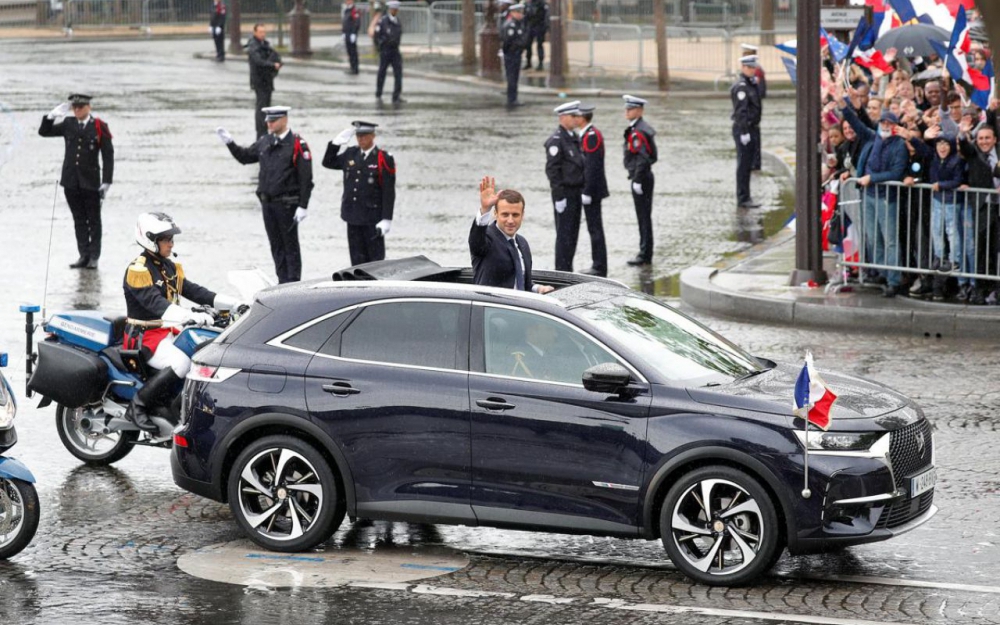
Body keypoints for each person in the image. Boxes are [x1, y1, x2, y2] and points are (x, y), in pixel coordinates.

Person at [122, 212, 235, 433]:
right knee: (182, 363)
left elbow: (193, 290)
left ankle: (175, 407)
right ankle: (138, 405)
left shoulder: (168, 266)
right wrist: (187, 315)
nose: (171, 243)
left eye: (171, 239)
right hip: (145, 337)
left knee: (201, 353)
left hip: (167, 332)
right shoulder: (139, 269)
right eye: (166, 239)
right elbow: (155, 303)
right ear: (150, 239)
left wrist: (232, 303)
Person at [216, 106, 313, 283]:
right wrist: (230, 143)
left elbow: (306, 178)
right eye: (268, 120)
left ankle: (293, 282)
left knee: (290, 245)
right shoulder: (265, 141)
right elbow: (245, 157)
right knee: (276, 245)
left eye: (273, 120)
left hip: (287, 203)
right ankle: (282, 280)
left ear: (284, 120)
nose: (269, 123)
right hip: (267, 204)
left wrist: (303, 206)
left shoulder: (297, 144)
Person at [38, 93, 114, 270]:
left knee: (94, 220)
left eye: (81, 107)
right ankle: (83, 255)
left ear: (89, 107)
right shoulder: (68, 124)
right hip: (71, 181)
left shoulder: (99, 127)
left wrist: (107, 181)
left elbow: (108, 156)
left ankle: (94, 256)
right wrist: (51, 116)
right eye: (75, 107)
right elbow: (44, 132)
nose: (77, 110)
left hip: (91, 182)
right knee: (79, 219)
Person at [322, 121, 396, 265]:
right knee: (356, 263)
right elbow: (328, 162)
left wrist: (387, 219)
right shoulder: (351, 154)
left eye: (364, 136)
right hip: (352, 217)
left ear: (373, 136)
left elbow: (388, 191)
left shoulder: (383, 158)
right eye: (358, 136)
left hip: (372, 219)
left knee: (375, 264)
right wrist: (335, 143)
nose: (361, 139)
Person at [470, 175, 554, 294]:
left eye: (515, 215)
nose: (510, 220)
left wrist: (539, 289)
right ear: (495, 213)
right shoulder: (486, 238)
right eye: (505, 215)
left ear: (522, 215)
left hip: (518, 309)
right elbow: (475, 242)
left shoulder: (522, 243)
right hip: (491, 309)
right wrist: (485, 209)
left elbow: (523, 283)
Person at [957, 120, 1000, 305]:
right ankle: (980, 288)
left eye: (987, 138)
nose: (983, 141)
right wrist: (962, 134)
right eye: (981, 138)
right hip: (983, 208)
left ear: (995, 139)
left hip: (998, 209)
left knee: (997, 251)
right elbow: (965, 147)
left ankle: (995, 288)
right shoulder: (974, 153)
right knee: (982, 249)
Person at [545, 100, 586, 272]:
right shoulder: (556, 140)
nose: (576, 119)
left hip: (576, 192)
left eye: (577, 116)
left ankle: (568, 268)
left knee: (573, 234)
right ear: (562, 117)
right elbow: (553, 171)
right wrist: (559, 196)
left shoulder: (573, 137)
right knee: (564, 235)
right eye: (573, 116)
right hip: (565, 193)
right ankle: (562, 271)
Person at [622, 94, 658, 266]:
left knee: (643, 217)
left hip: (642, 178)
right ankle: (645, 251)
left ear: (639, 110)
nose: (626, 112)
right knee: (644, 216)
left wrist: (637, 179)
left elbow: (643, 157)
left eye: (630, 109)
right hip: (644, 177)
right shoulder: (640, 128)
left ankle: (645, 253)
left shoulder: (638, 131)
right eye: (627, 109)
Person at [577, 103, 608, 277]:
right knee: (593, 228)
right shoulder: (586, 134)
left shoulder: (591, 136)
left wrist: (587, 191)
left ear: (582, 118)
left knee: (595, 229)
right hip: (591, 189)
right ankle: (598, 263)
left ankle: (599, 265)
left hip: (593, 190)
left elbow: (592, 166)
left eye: (576, 116)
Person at [732, 55, 762, 209]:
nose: (752, 70)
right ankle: (743, 197)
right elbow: (741, 112)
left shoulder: (751, 84)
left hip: (752, 127)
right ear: (743, 67)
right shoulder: (741, 87)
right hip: (745, 128)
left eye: (753, 67)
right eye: (749, 67)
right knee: (743, 165)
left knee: (748, 163)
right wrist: (744, 131)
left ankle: (746, 195)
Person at [247, 24, 282, 139]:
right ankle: (261, 132)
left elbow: (274, 55)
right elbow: (258, 61)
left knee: (267, 106)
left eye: (264, 32)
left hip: (267, 79)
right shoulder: (253, 46)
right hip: (259, 80)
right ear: (255, 32)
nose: (263, 34)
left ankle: (266, 130)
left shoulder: (265, 45)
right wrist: (272, 65)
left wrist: (276, 63)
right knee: (261, 106)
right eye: (260, 32)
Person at [741, 43, 766, 171]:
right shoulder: (745, 75)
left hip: (753, 114)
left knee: (754, 144)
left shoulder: (757, 72)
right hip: (750, 115)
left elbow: (761, 91)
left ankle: (754, 164)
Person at [375, 0, 404, 103]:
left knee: (398, 73)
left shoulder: (397, 21)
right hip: (385, 50)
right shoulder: (383, 21)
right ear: (390, 9)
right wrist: (380, 47)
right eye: (393, 9)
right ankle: (379, 93)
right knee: (382, 72)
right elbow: (377, 35)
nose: (394, 11)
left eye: (396, 9)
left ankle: (396, 96)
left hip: (395, 50)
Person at [501, 3, 528, 108]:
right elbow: (509, 41)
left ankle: (513, 98)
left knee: (515, 77)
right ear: (512, 13)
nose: (520, 14)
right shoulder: (510, 25)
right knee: (512, 77)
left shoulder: (518, 24)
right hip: (512, 54)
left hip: (516, 54)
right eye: (518, 12)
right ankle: (511, 99)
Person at [523, 0, 548, 71]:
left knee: (539, 45)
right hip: (530, 26)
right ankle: (528, 62)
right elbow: (525, 16)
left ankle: (540, 63)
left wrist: (545, 27)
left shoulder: (541, 3)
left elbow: (545, 16)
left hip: (539, 26)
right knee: (528, 45)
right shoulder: (527, 3)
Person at [342, 0, 361, 74]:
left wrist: (354, 33)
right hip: (347, 33)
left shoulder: (354, 10)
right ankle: (352, 67)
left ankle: (355, 68)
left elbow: (357, 22)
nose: (346, 1)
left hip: (351, 34)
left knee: (353, 52)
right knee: (349, 51)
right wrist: (343, 32)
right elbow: (345, 22)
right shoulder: (347, 10)